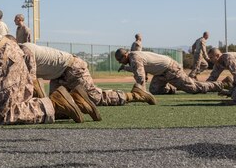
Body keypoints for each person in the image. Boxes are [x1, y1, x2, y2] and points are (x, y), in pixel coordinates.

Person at [21, 43, 156, 118]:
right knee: (59, 107)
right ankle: (80, 103)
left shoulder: (24, 52)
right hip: (58, 75)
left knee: (96, 98)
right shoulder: (19, 51)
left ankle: (135, 95)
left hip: (73, 69)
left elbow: (33, 84)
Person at [115, 48, 226, 95]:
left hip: (170, 69)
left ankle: (221, 84)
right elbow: (139, 69)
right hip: (161, 74)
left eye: (120, 60)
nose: (121, 62)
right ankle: (175, 87)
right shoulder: (133, 57)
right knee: (154, 90)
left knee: (193, 88)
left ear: (125, 55)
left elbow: (140, 76)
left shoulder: (134, 57)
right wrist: (125, 68)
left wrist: (141, 92)